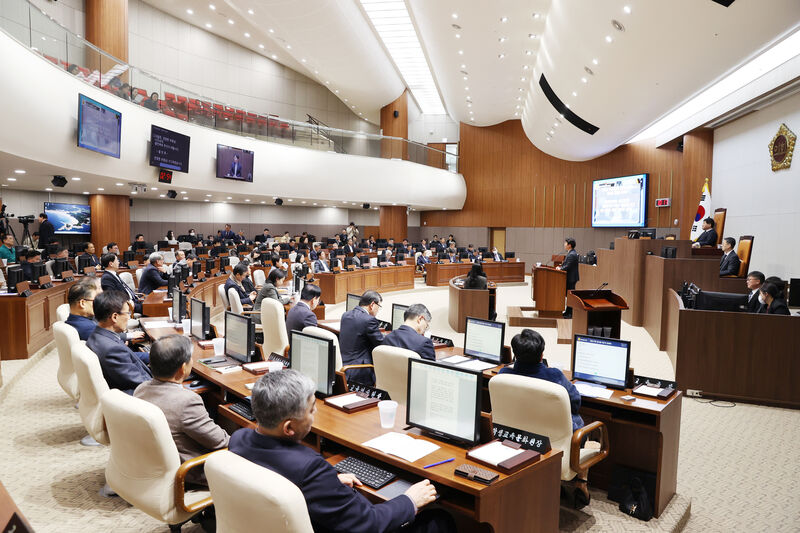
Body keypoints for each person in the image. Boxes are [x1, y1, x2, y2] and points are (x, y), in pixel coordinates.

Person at [229, 370, 451, 533]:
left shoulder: (238, 440)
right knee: (438, 520)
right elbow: (369, 524)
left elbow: (276, 474)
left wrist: (329, 483)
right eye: (311, 409)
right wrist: (410, 500)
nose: (315, 413)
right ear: (289, 428)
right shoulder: (310, 467)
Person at [498, 329, 587, 503]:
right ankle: (581, 483)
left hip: (516, 439)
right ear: (541, 355)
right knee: (582, 429)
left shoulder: (504, 375)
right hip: (552, 444)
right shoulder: (554, 376)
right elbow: (576, 403)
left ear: (515, 354)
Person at [134, 335, 229, 485]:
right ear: (183, 368)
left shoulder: (140, 389)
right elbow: (220, 442)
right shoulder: (187, 402)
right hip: (188, 472)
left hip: (154, 464)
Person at [86, 290, 152, 394]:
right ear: (114, 317)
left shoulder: (98, 335)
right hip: (136, 395)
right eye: (127, 313)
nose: (129, 317)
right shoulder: (112, 349)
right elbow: (140, 382)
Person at [339, 291, 385, 385]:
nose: (378, 310)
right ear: (372, 304)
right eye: (379, 306)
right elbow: (381, 344)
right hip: (359, 371)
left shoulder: (345, 315)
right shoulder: (369, 320)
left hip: (343, 365)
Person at [557, 237, 580, 319]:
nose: (564, 244)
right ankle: (568, 312)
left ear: (569, 245)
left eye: (565, 243)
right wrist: (561, 267)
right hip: (570, 277)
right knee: (569, 296)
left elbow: (568, 266)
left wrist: (560, 269)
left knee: (570, 296)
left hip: (571, 278)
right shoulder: (571, 253)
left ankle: (570, 313)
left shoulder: (572, 254)